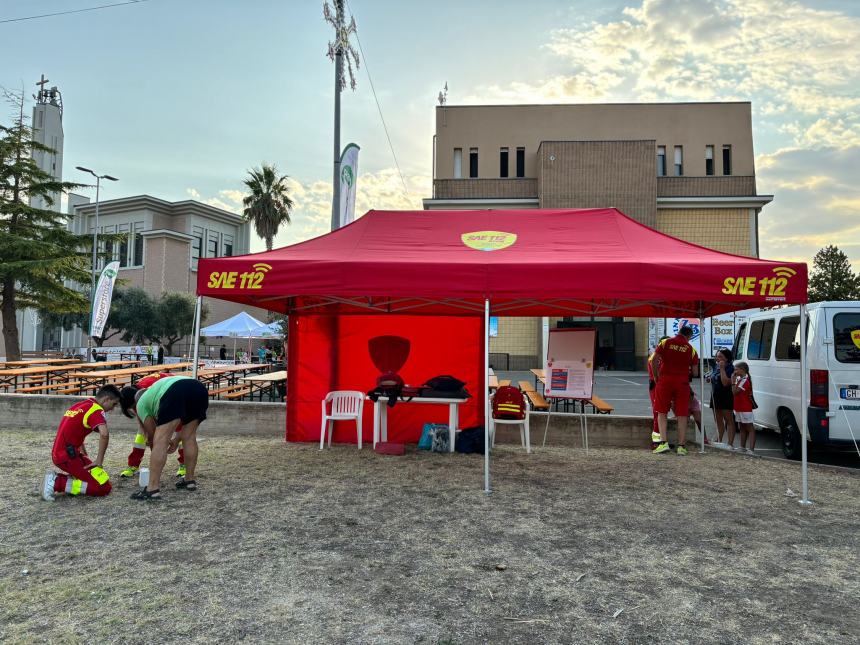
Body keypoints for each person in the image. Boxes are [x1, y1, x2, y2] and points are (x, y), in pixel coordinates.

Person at [121, 375, 208, 501]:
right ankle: (189, 480)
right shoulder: (154, 390)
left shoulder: (141, 404)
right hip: (199, 388)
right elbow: (183, 432)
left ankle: (152, 489)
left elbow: (153, 437)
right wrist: (175, 440)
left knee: (159, 441)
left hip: (175, 390)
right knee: (189, 437)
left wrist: (160, 443)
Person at [42, 385, 122, 501]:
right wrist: (99, 461)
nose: (113, 408)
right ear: (106, 399)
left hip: (67, 454)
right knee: (102, 489)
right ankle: (56, 483)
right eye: (114, 404)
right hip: (67, 456)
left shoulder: (81, 405)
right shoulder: (96, 410)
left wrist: (83, 457)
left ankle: (66, 480)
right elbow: (104, 434)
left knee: (103, 481)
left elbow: (75, 433)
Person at [118, 373, 185, 478]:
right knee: (141, 435)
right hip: (162, 397)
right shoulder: (136, 394)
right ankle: (133, 465)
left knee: (180, 430)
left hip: (175, 395)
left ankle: (184, 464)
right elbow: (145, 427)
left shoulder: (148, 391)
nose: (135, 409)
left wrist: (158, 445)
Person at [652, 325, 699, 455]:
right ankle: (681, 446)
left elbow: (654, 360)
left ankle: (663, 443)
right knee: (682, 414)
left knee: (662, 411)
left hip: (665, 380)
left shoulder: (666, 342)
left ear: (679, 332)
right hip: (682, 383)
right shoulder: (691, 349)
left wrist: (656, 376)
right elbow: (695, 373)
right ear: (689, 336)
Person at [709, 348, 737, 449]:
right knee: (718, 420)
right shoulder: (716, 366)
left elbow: (725, 382)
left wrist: (722, 369)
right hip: (716, 395)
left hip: (726, 396)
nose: (718, 358)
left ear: (727, 358)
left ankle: (730, 443)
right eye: (717, 356)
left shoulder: (731, 368)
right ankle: (718, 440)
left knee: (728, 420)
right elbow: (714, 378)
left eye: (720, 356)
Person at [648, 336, 670, 448]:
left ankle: (661, 439)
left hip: (659, 386)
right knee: (658, 413)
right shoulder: (656, 357)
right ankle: (656, 441)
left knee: (661, 413)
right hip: (657, 386)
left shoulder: (658, 356)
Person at [732, 361, 756, 454]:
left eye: (736, 369)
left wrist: (733, 382)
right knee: (741, 426)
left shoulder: (745, 380)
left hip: (745, 408)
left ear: (742, 370)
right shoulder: (741, 379)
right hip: (739, 407)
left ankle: (751, 449)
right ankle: (742, 447)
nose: (735, 371)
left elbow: (735, 392)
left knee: (749, 427)